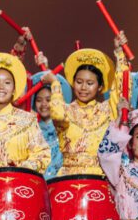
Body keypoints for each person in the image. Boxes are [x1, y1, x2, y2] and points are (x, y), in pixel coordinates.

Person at [36, 34, 130, 176]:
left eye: (90, 83)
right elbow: (57, 115)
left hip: (101, 178)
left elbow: (122, 88)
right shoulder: (67, 110)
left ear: (100, 87)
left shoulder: (107, 110)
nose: (83, 87)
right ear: (73, 84)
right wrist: (55, 83)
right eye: (79, 82)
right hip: (69, 179)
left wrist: (119, 52)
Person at [25, 70, 71, 180]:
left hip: (61, 181)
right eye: (39, 100)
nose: (44, 104)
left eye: (48, 99)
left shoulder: (65, 126)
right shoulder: (31, 129)